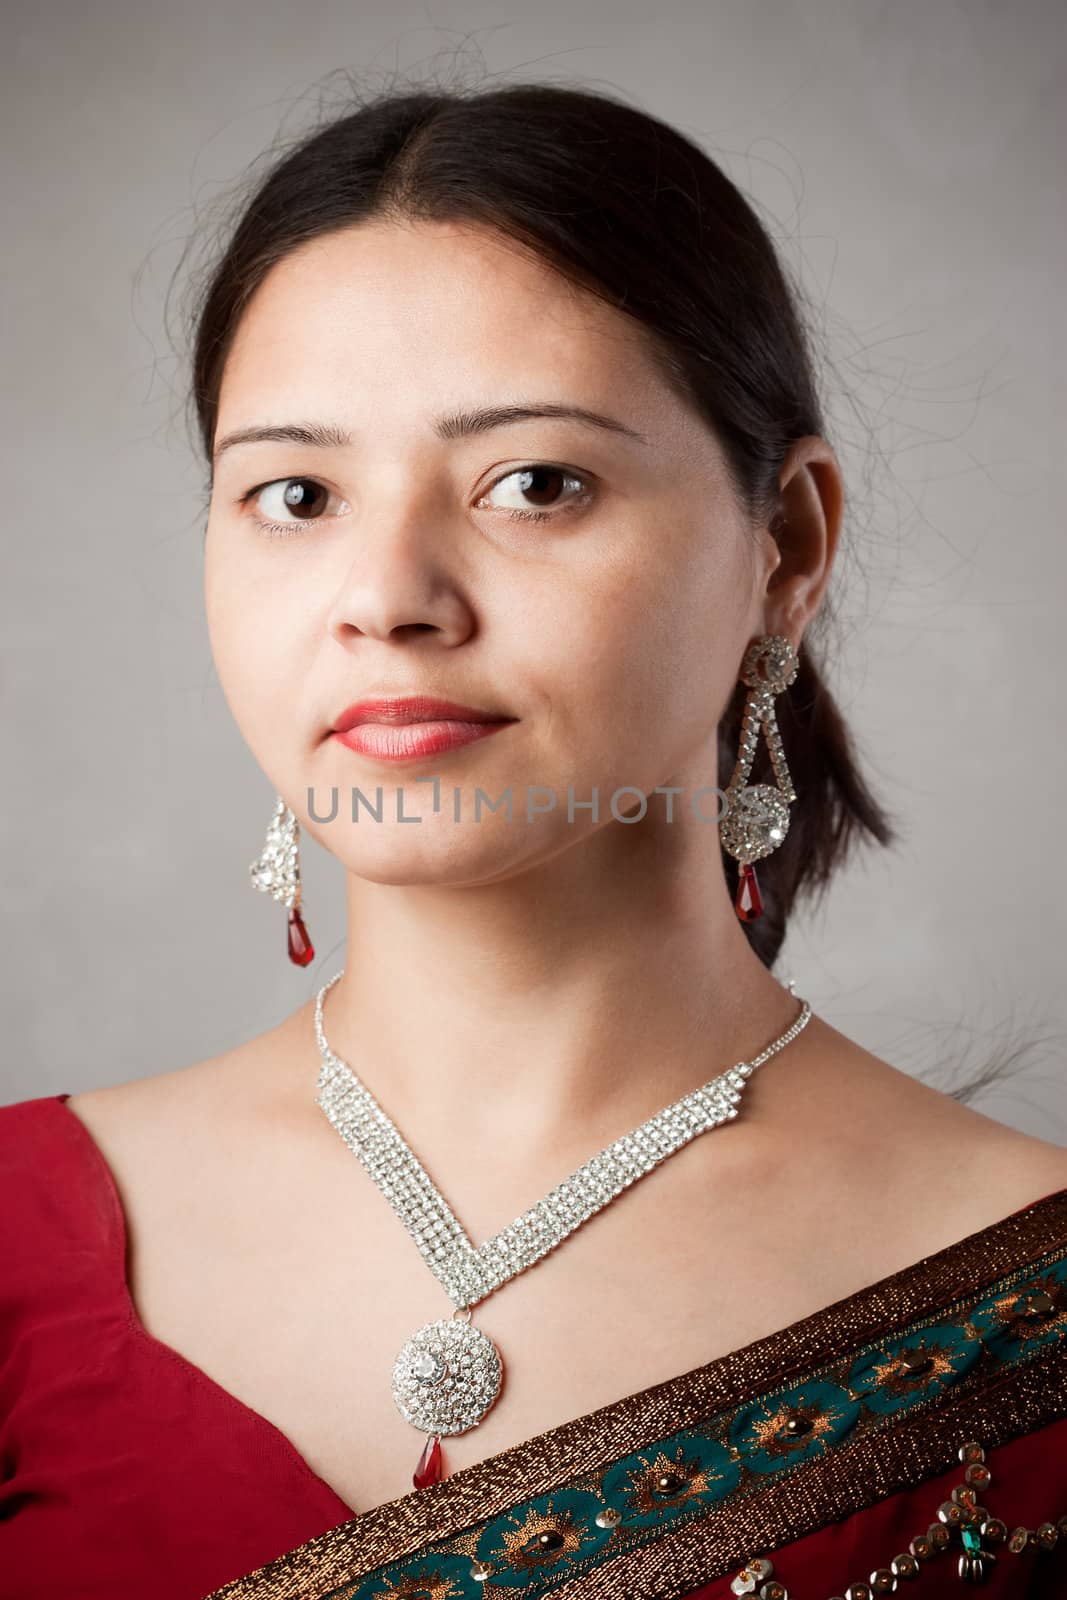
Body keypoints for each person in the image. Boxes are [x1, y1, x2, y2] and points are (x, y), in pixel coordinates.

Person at [2, 78, 1066, 1600]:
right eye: (295, 494)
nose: (389, 595)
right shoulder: (23, 1244)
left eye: (536, 484)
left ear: (791, 544)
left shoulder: (1030, 1311)